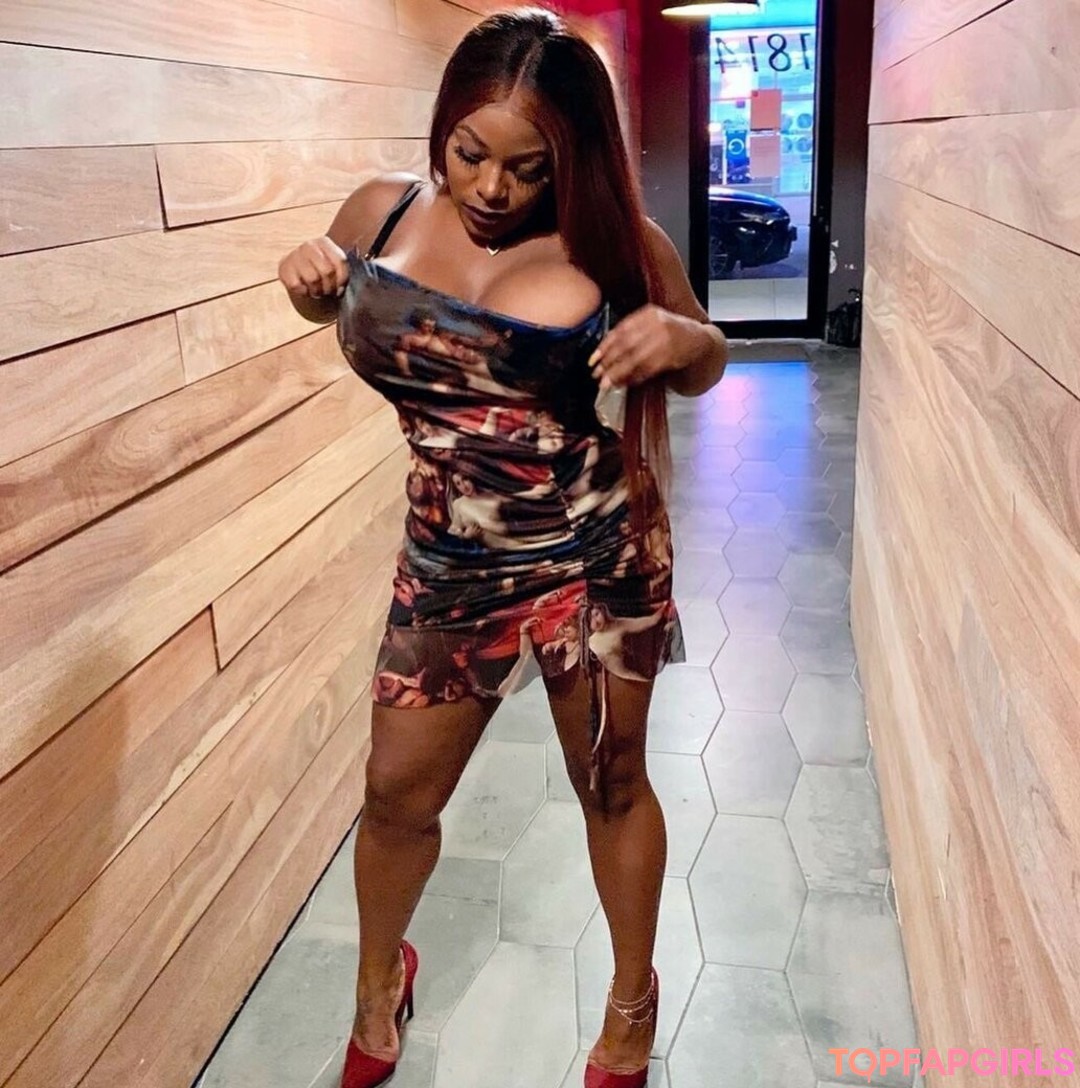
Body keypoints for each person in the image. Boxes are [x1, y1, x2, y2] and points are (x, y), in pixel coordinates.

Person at [276, 9, 727, 1087]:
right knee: (395, 795)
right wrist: (309, 287)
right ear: (444, 124)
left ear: (572, 157)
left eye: (530, 168)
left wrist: (682, 338)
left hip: (594, 553)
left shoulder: (618, 243)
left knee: (611, 782)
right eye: (471, 152)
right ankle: (378, 981)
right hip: (446, 557)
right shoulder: (382, 213)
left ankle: (631, 1004)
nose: (491, 188)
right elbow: (353, 313)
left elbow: (705, 357)